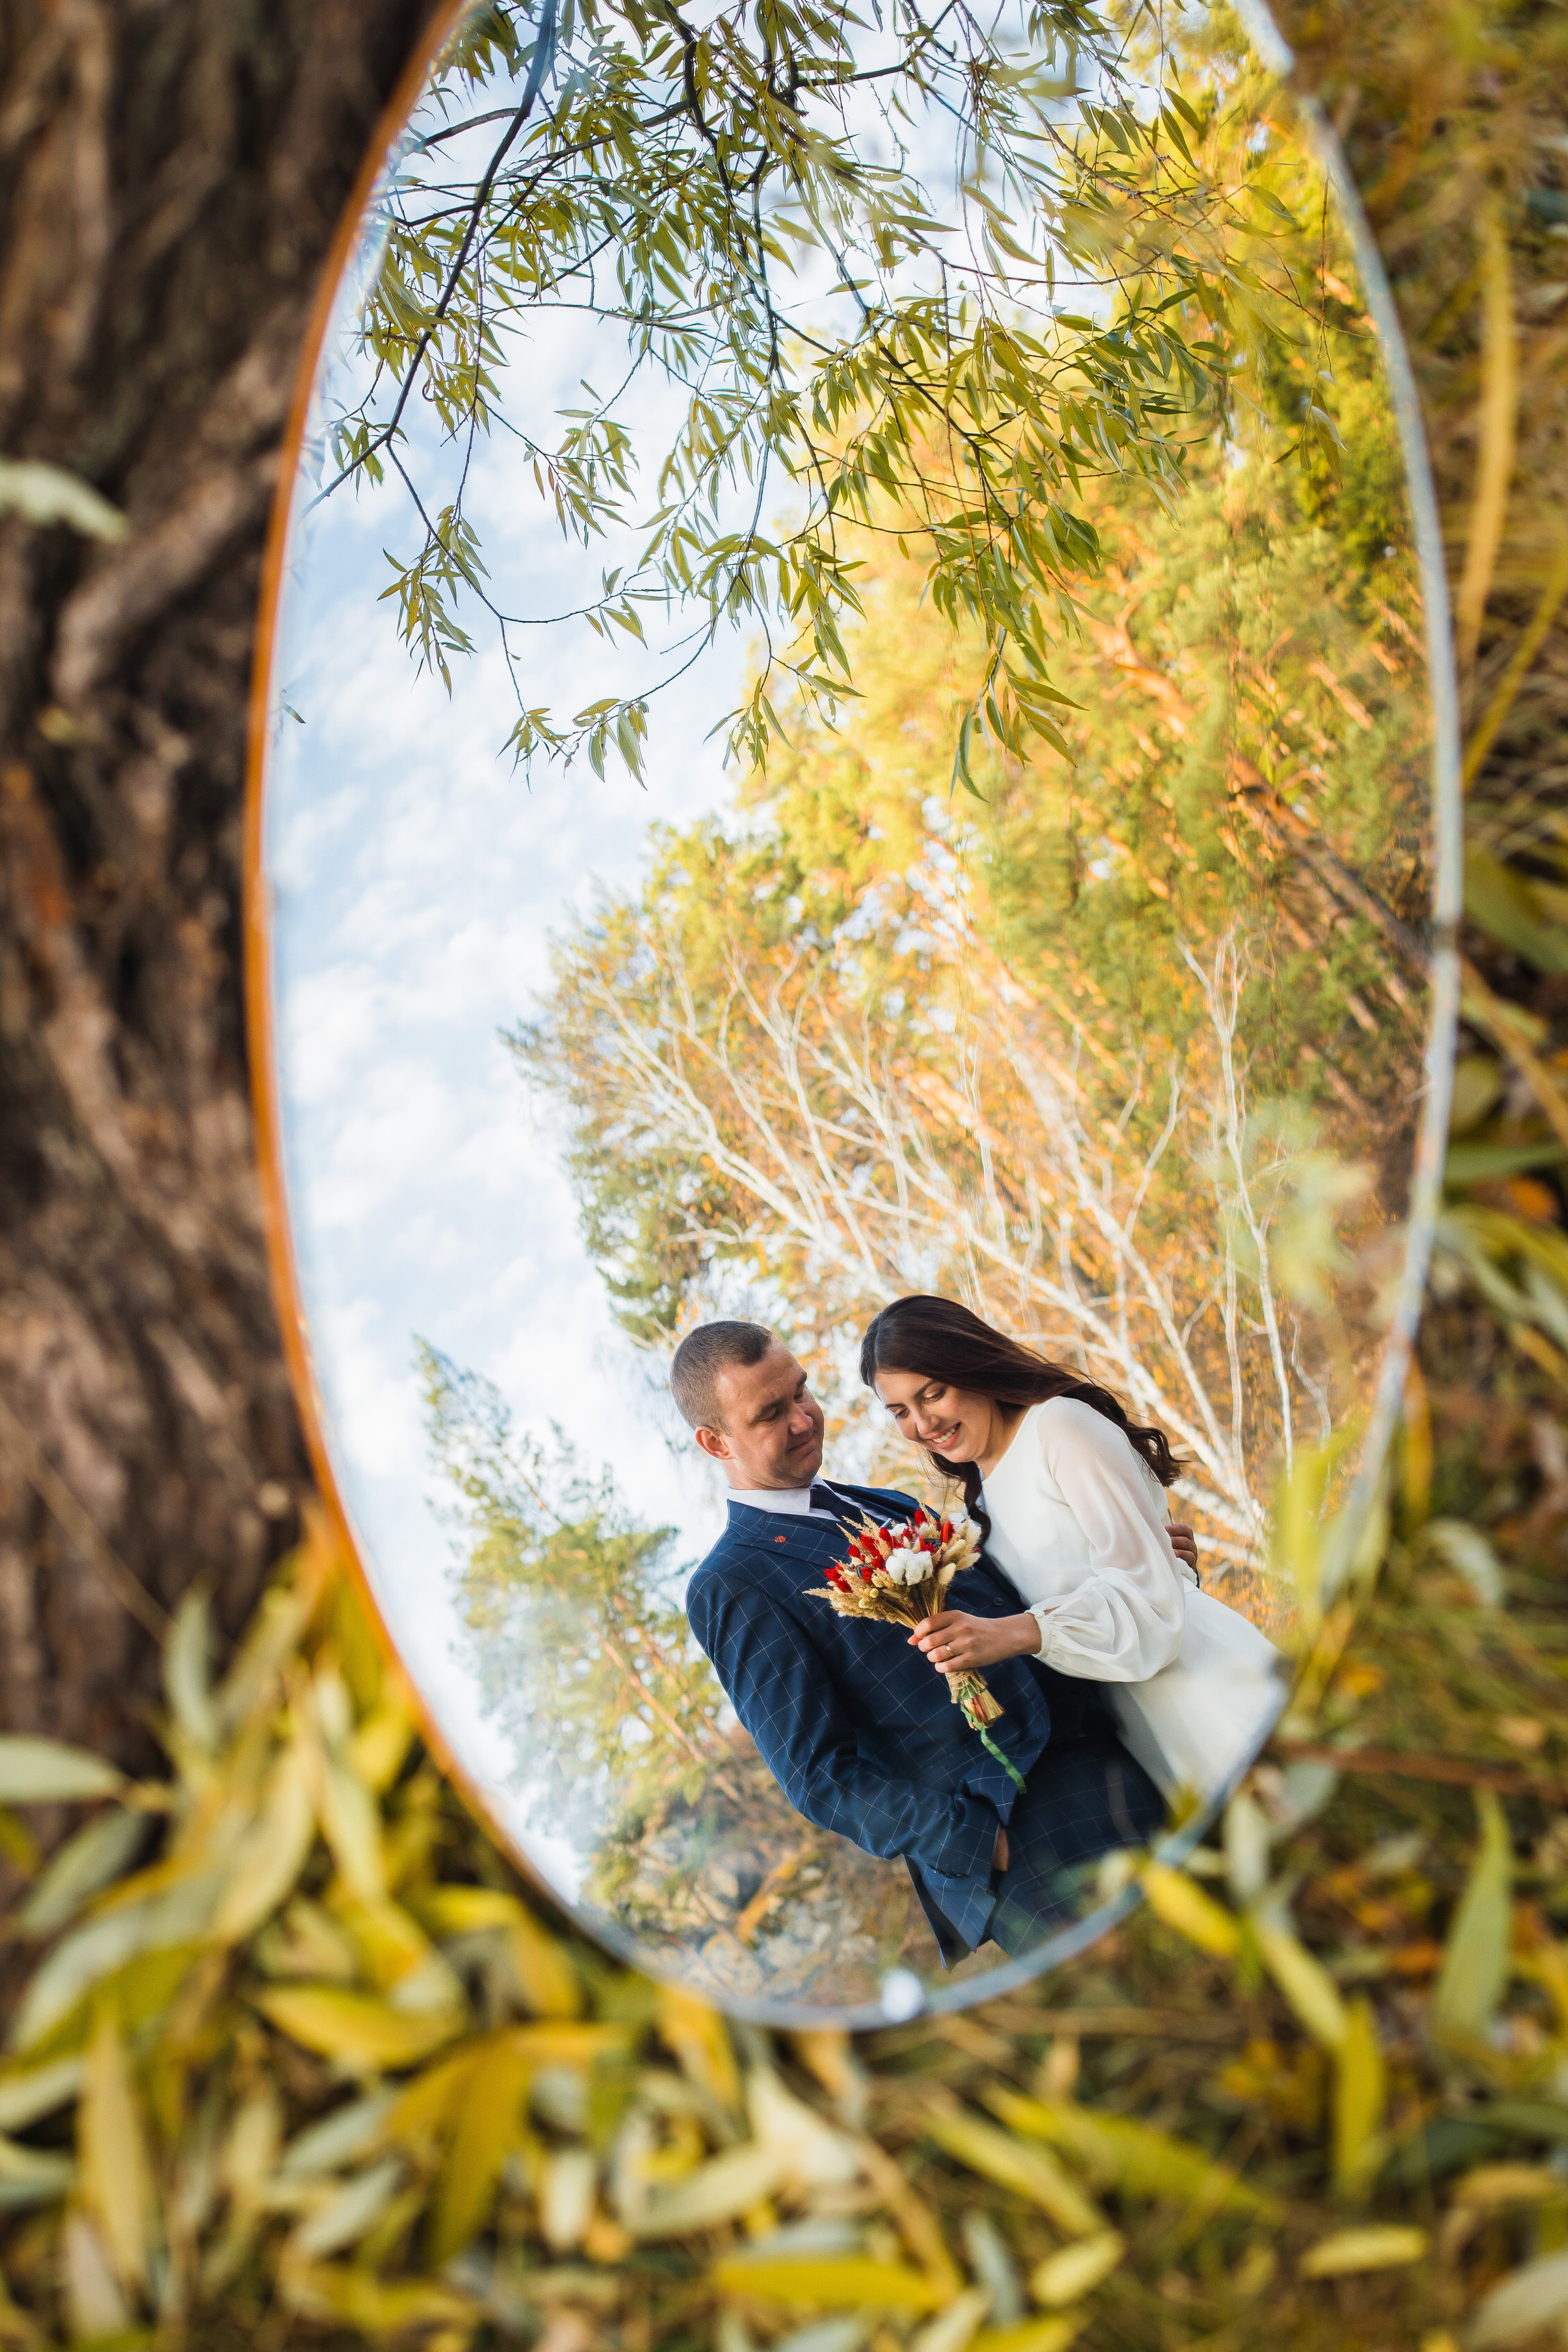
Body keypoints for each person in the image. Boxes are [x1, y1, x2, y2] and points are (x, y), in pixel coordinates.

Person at [673, 1319, 1197, 1964]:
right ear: (714, 1441)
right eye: (770, 1414)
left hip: (1104, 1755)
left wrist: (1132, 1559)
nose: (805, 1420)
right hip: (1019, 1832)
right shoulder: (733, 1582)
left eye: (802, 1393)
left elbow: (1008, 1596)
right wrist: (978, 1842)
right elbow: (817, 1774)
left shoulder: (879, 1505)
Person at [861, 1295, 1286, 1813]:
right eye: (900, 1411)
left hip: (1204, 1686)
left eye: (934, 1393)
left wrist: (1015, 1632)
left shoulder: (1059, 1427)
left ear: (970, 1366)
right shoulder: (976, 1510)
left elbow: (1148, 1600)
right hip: (1138, 1725)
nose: (922, 1425)